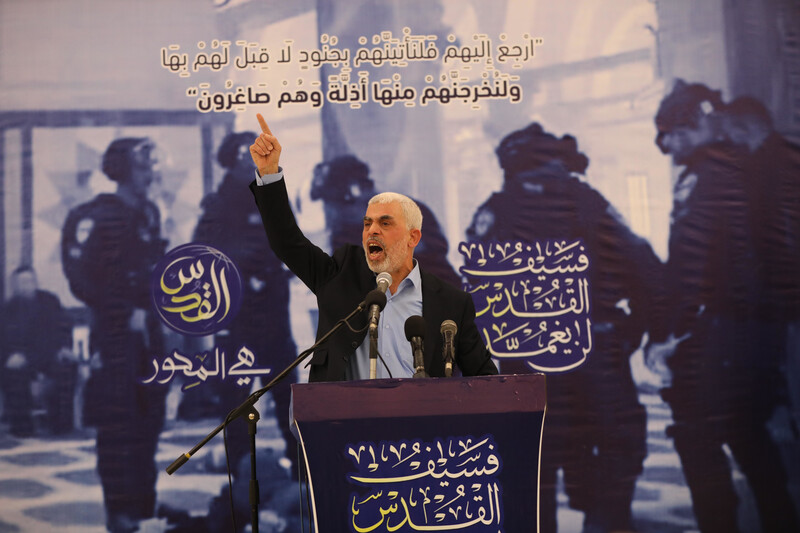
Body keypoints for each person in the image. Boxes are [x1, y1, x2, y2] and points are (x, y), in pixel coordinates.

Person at [466, 121, 660, 533]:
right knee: (616, 449)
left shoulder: (496, 210)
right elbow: (644, 267)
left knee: (532, 465)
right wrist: (634, 330)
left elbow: (475, 290)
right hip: (596, 351)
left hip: (526, 361)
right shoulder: (590, 202)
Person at [650, 79, 800, 532]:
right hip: (762, 324)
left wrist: (672, 333)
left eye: (672, 135)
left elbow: (692, 264)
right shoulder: (755, 166)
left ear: (695, 125)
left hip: (721, 329)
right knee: (749, 434)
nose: (668, 147)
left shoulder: (705, 174)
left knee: (698, 432)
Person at [248, 114, 497, 382]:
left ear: (413, 238)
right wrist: (269, 174)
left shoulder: (450, 302)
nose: (371, 230)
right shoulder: (340, 274)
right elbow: (287, 242)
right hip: (345, 421)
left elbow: (488, 384)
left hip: (424, 421)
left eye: (384, 224)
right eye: (367, 224)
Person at [185, 131, 300, 532]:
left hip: (274, 317)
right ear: (231, 160)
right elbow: (202, 256)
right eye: (246, 157)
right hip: (237, 321)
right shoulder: (217, 206)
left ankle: (299, 466)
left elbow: (292, 242)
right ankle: (238, 471)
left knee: (288, 393)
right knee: (236, 401)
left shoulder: (270, 192)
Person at [61, 137, 169, 533]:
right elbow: (81, 279)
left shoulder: (150, 213)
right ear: (121, 170)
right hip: (115, 336)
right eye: (142, 169)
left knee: (150, 420)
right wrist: (125, 313)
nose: (149, 176)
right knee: (118, 424)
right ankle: (120, 514)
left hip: (151, 335)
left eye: (151, 168)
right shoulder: (93, 216)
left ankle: (145, 507)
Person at [310, 154, 463, 288]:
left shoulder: (409, 213)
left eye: (336, 205)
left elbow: (434, 257)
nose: (334, 214)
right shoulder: (345, 235)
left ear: (357, 193)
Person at [1, 265, 76, 437]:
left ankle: (61, 425)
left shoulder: (50, 301)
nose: (28, 285)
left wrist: (64, 347)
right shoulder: (7, 310)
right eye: (23, 282)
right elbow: (5, 341)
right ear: (15, 286)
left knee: (66, 368)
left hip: (49, 354)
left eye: (31, 281)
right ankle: (23, 427)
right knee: (14, 374)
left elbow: (64, 327)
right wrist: (10, 356)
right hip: (22, 358)